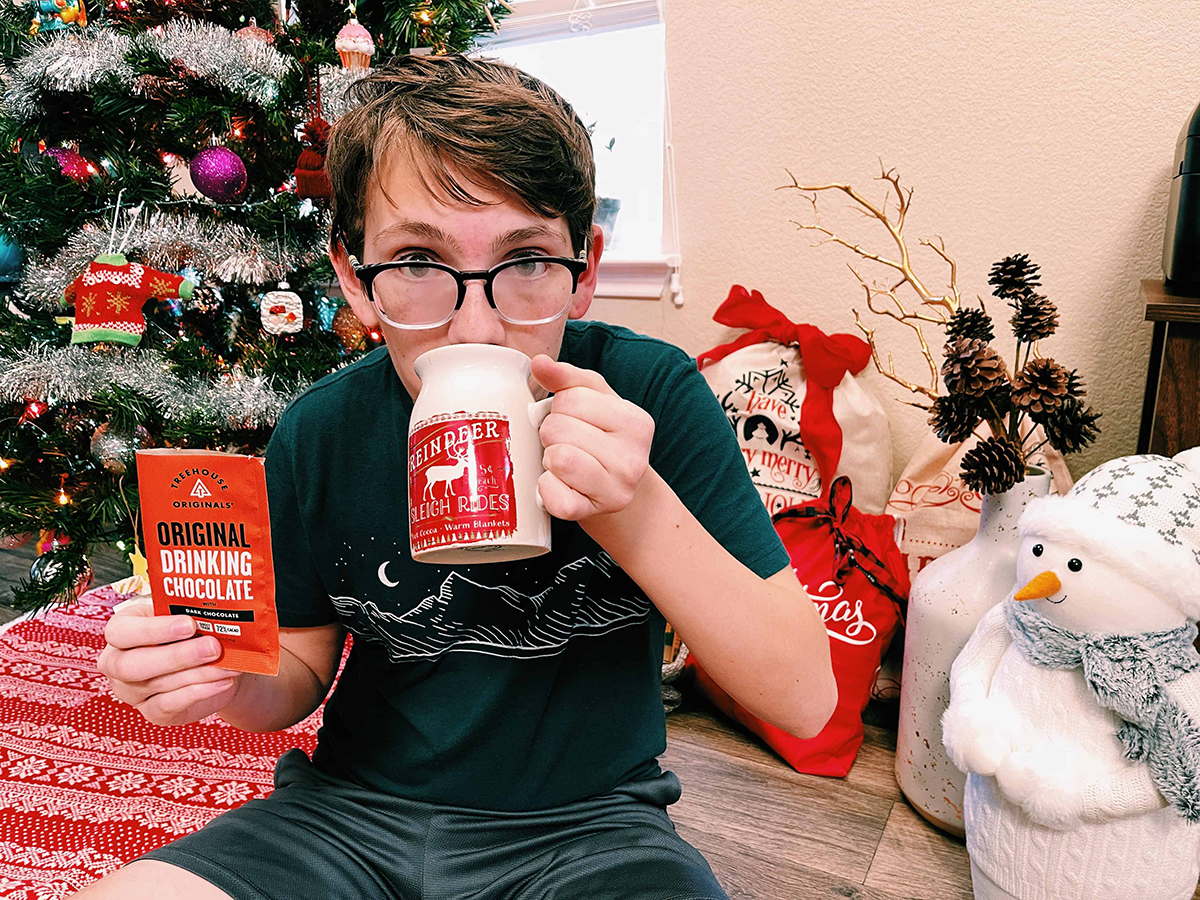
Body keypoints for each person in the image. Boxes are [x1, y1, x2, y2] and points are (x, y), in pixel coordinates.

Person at [79, 55, 836, 900]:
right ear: (351, 280)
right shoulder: (322, 430)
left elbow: (804, 700)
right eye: (414, 261)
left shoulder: (650, 396)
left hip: (589, 833)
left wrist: (634, 507)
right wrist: (216, 674)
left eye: (527, 261)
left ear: (585, 269)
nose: (477, 322)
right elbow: (294, 676)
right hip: (347, 818)